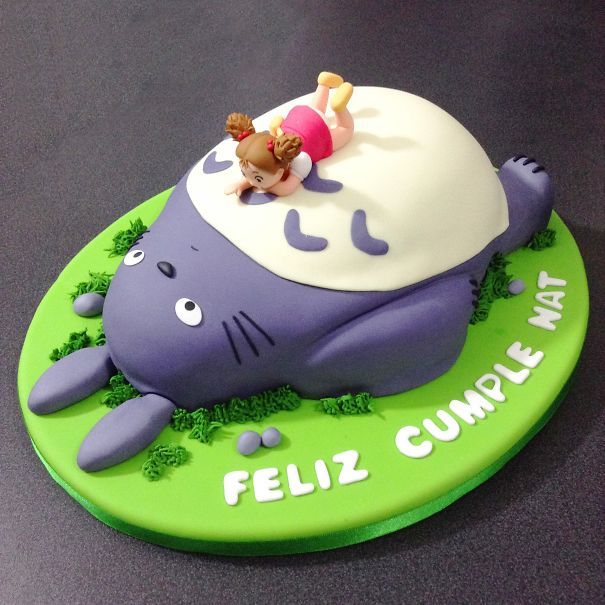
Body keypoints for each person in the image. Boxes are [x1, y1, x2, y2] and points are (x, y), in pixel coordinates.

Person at [224, 72, 354, 197]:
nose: (252, 182)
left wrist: (265, 187)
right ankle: (323, 84)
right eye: (244, 174)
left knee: (345, 129)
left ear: (280, 172)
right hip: (301, 116)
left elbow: (286, 189)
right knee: (315, 109)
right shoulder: (274, 146)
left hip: (317, 133)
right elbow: (253, 172)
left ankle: (340, 109)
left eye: (258, 179)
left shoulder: (300, 161)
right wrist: (242, 184)